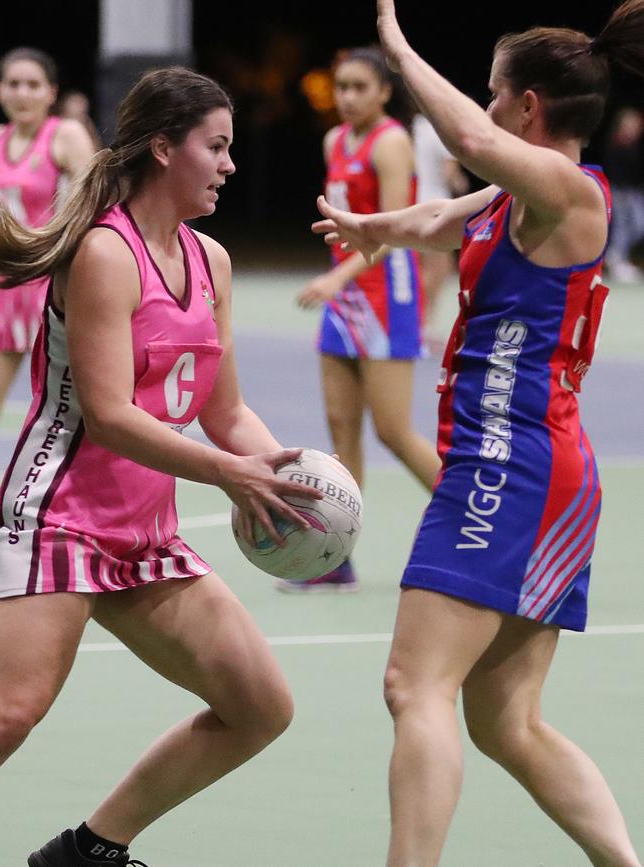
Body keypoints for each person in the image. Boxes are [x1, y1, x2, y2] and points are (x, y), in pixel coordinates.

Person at [312, 0, 644, 863]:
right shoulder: (519, 193)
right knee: (508, 725)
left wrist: (398, 48)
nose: (485, 107)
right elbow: (437, 218)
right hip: (530, 470)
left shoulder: (567, 190)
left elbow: (472, 143)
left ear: (526, 104)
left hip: (512, 467)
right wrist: (369, 231)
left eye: (494, 93)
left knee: (412, 684)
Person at [0, 66, 325, 867]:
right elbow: (110, 414)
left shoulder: (211, 261)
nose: (229, 164)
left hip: (145, 530)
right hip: (59, 514)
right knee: (11, 711)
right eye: (215, 146)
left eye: (230, 148)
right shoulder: (106, 252)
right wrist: (227, 474)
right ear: (161, 149)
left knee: (258, 706)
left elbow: (226, 412)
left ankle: (88, 851)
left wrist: (289, 477)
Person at [284, 45, 441, 593]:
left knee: (394, 433)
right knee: (341, 432)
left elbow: (394, 232)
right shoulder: (334, 140)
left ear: (384, 92)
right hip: (346, 299)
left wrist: (335, 279)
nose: (347, 97)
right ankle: (335, 557)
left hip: (385, 297)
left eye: (358, 87)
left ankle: (486, 530)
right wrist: (337, 282)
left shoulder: (392, 141)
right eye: (341, 86)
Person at [0, 47, 96, 428]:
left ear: (51, 93)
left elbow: (93, 201)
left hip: (50, 287)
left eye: (33, 85)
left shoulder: (65, 135)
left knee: (79, 411)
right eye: (14, 84)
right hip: (3, 291)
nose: (23, 93)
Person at [411, 112, 469, 349]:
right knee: (436, 269)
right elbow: (450, 174)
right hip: (436, 207)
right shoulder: (442, 129)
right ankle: (420, 327)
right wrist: (465, 188)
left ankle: (423, 325)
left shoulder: (416, 126)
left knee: (435, 268)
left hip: (415, 202)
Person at [601, 106, 644, 282]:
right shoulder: (614, 143)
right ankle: (617, 259)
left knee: (639, 224)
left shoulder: (637, 146)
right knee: (620, 228)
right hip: (617, 191)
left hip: (634, 192)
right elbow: (612, 169)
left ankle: (616, 256)